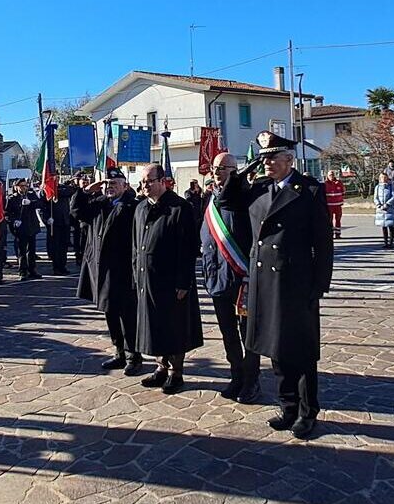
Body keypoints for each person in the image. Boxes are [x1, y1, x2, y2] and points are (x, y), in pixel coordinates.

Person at [218, 131, 333, 440]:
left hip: (295, 282)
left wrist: (320, 284)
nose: (267, 162)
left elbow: (323, 241)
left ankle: (307, 412)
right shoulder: (258, 189)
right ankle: (288, 407)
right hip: (264, 281)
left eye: (272, 157)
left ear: (289, 159)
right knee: (275, 348)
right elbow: (225, 198)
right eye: (264, 157)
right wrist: (248, 166)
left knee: (301, 351)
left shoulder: (307, 190)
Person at [133, 164, 203, 394]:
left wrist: (184, 282)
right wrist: (137, 271)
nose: (145, 186)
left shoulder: (179, 208)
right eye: (142, 182)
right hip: (147, 279)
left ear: (163, 181)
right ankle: (160, 367)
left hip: (171, 282)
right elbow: (136, 244)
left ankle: (176, 372)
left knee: (174, 327)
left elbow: (188, 248)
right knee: (154, 327)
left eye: (149, 181)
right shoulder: (141, 207)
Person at [203, 152, 262, 402]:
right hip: (218, 277)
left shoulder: (241, 196)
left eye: (224, 168)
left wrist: (237, 180)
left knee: (247, 333)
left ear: (235, 170)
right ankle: (236, 376)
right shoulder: (212, 196)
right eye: (215, 167)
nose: (217, 172)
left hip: (241, 278)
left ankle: (251, 381)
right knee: (227, 333)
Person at [73, 168, 141, 371]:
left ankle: (133, 356)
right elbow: (77, 212)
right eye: (107, 184)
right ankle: (118, 351)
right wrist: (86, 191)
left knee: (127, 315)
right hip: (101, 269)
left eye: (114, 184)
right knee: (110, 312)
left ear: (125, 185)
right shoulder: (100, 203)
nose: (110, 188)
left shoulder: (133, 206)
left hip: (122, 269)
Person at [9, 178, 43, 278]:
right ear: (16, 187)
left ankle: (32, 270)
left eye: (25, 186)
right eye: (22, 186)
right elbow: (7, 213)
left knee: (31, 250)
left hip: (31, 226)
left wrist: (30, 203)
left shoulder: (31, 194)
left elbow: (40, 204)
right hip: (20, 228)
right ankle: (22, 271)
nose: (24, 188)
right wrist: (14, 220)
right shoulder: (12, 198)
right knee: (22, 251)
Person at [45, 180, 72, 275]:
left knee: (64, 246)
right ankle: (56, 267)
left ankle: (63, 266)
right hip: (54, 223)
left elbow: (69, 191)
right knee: (55, 247)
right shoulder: (47, 190)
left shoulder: (62, 188)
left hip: (65, 222)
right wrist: (47, 219)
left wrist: (56, 189)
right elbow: (43, 206)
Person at [373, 169, 394, 249]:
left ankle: (391, 242)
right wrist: (379, 205)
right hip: (381, 210)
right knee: (383, 226)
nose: (383, 179)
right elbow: (375, 197)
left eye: (384, 177)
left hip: (389, 209)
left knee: (390, 226)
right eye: (381, 177)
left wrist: (387, 204)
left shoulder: (391, 186)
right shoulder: (377, 187)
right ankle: (385, 242)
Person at [325, 169, 346, 238]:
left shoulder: (339, 183)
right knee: (329, 220)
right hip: (329, 205)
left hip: (338, 205)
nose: (331, 176)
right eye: (330, 175)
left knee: (338, 220)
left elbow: (343, 192)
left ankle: (337, 234)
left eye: (332, 175)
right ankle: (330, 234)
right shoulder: (325, 184)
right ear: (327, 176)